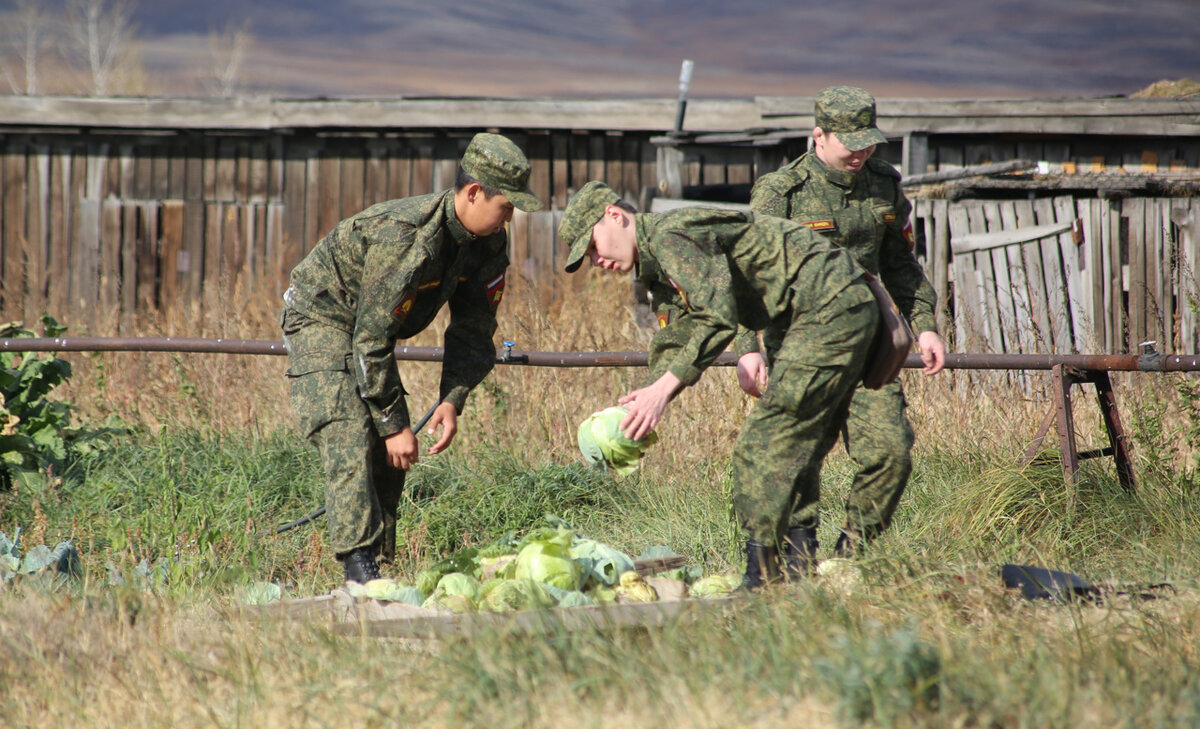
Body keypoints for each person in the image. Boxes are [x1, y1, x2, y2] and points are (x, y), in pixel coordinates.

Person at [560, 180, 880, 589]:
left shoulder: (669, 235)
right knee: (789, 442)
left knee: (761, 445)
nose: (595, 261)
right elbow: (677, 338)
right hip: (808, 314)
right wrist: (640, 405)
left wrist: (663, 392)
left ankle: (761, 580)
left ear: (615, 216)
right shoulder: (659, 270)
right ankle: (796, 572)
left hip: (828, 303)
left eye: (591, 247)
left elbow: (720, 315)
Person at [281, 133, 542, 584]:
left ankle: (382, 563)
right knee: (351, 428)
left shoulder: (488, 242)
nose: (510, 219)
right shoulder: (405, 236)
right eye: (507, 206)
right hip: (323, 315)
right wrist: (393, 423)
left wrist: (451, 398)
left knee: (390, 449)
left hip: (369, 331)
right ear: (474, 193)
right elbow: (370, 340)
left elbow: (474, 326)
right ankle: (359, 570)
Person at [746, 85, 946, 561]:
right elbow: (746, 275)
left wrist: (925, 325)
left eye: (869, 142)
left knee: (891, 452)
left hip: (868, 344)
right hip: (800, 347)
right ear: (819, 136)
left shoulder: (883, 184)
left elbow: (900, 263)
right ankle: (796, 562)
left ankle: (851, 557)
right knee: (798, 458)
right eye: (851, 143)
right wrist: (746, 347)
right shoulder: (781, 193)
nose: (862, 152)